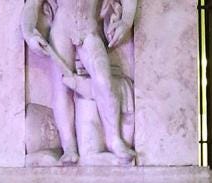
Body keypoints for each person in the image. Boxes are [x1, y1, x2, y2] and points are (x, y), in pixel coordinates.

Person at [22, 0, 137, 165]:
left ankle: (114, 139)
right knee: (61, 89)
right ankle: (69, 147)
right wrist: (30, 34)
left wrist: (126, 21)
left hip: (89, 29)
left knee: (104, 82)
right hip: (62, 29)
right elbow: (32, 5)